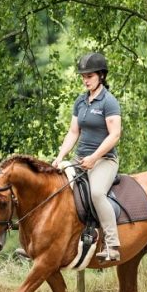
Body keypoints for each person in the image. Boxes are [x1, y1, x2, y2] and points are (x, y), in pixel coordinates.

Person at [52, 52, 122, 262]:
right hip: (80, 159)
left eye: (89, 76)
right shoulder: (80, 101)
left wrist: (94, 157)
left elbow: (115, 135)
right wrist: (60, 157)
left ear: (101, 75)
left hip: (104, 160)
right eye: (83, 76)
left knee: (97, 193)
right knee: (55, 184)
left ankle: (112, 245)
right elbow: (74, 132)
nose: (85, 79)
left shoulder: (109, 102)